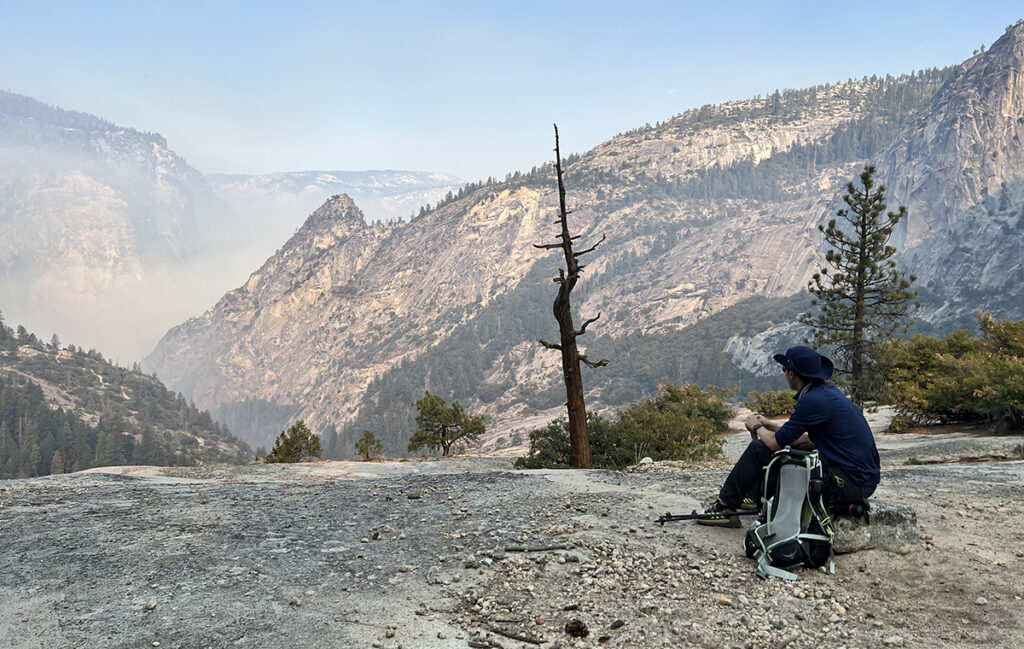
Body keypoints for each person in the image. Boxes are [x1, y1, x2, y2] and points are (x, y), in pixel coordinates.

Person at [697, 345, 880, 527]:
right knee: (792, 450)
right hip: (861, 480)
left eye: (784, 369)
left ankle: (725, 508)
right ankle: (752, 497)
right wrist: (769, 424)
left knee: (759, 448)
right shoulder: (825, 394)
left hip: (851, 483)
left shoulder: (812, 401)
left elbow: (774, 444)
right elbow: (804, 440)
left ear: (791, 374)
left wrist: (757, 426)